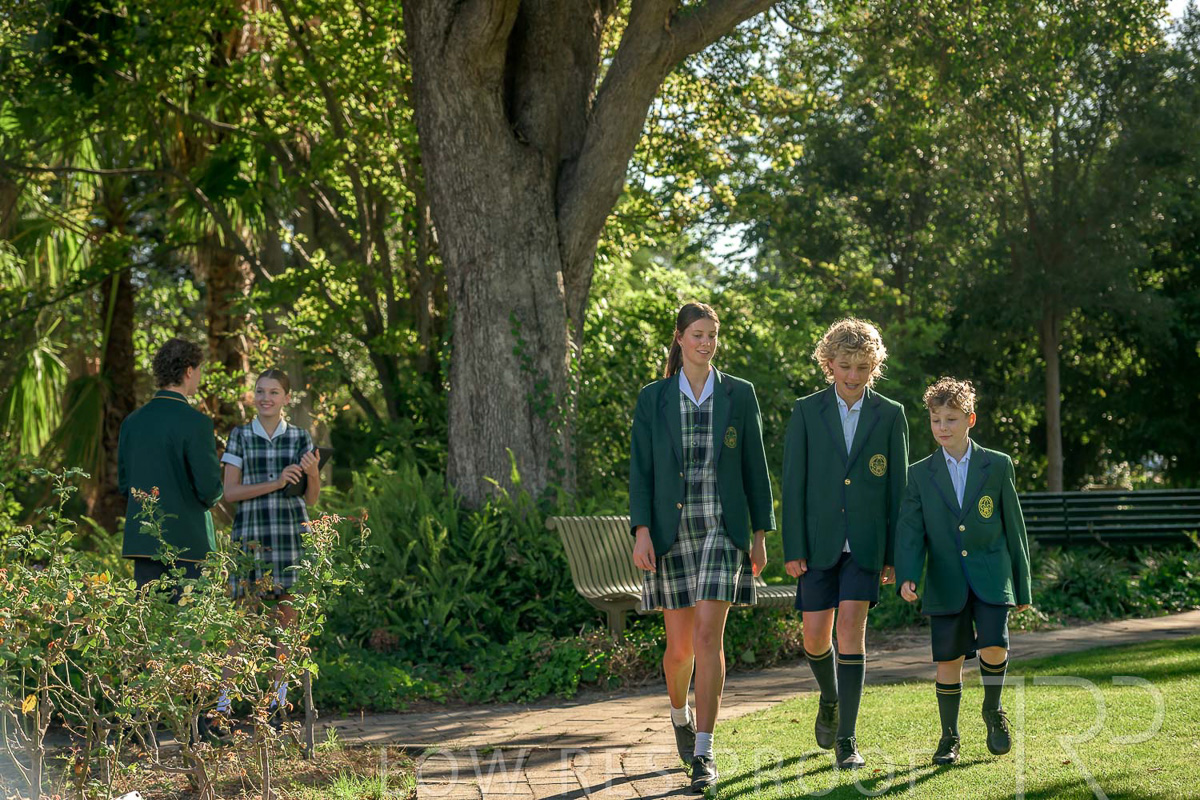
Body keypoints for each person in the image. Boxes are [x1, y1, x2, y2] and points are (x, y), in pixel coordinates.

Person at [629, 302, 774, 793]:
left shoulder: (739, 393)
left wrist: (759, 534)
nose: (706, 343)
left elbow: (755, 465)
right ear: (679, 338)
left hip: (722, 529)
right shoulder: (654, 398)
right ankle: (679, 715)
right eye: (697, 334)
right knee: (680, 650)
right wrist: (641, 530)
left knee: (709, 637)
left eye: (712, 335)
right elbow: (641, 469)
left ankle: (705, 752)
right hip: (671, 532)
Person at [781, 318, 909, 769]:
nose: (853, 375)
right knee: (815, 638)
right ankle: (830, 697)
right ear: (829, 363)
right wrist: (793, 546)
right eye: (845, 365)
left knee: (851, 629)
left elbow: (898, 490)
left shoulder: (890, 415)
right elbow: (793, 483)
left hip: (867, 544)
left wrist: (895, 554)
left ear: (874, 367)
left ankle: (847, 739)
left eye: (862, 367)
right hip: (818, 543)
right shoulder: (806, 411)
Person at [895, 377, 1032, 765]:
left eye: (951, 419)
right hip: (945, 580)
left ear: (970, 419)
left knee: (995, 644)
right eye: (936, 420)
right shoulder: (919, 474)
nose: (942, 427)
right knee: (948, 659)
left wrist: (1022, 587)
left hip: (992, 575)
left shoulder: (998, 465)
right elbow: (911, 530)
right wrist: (908, 574)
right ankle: (949, 737)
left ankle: (993, 709)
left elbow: (1014, 527)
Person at [220, 368, 320, 713]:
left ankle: (278, 705)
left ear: (286, 398)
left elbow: (311, 499)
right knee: (242, 624)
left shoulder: (301, 438)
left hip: (291, 537)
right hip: (251, 538)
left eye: (274, 392)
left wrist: (313, 473)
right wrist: (277, 482)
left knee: (287, 624)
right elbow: (230, 492)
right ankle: (223, 706)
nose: (266, 398)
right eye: (261, 391)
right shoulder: (240, 436)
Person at [119, 338, 223, 589]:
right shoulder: (197, 423)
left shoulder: (132, 422)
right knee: (189, 613)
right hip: (189, 543)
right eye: (199, 370)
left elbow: (125, 485)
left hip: (144, 543)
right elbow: (209, 490)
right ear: (189, 371)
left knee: (150, 613)